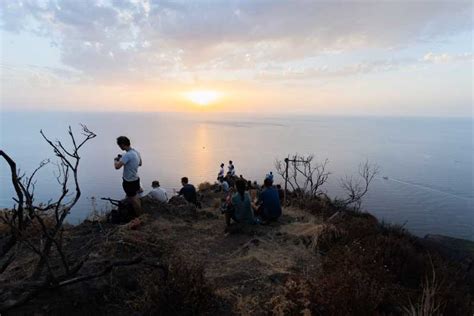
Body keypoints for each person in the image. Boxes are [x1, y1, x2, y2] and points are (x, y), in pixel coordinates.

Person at [114, 136, 142, 216]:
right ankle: (137, 214)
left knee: (133, 200)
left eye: (119, 145)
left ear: (122, 144)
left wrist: (116, 160)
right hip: (136, 178)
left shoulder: (127, 155)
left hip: (129, 181)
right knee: (135, 197)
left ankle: (139, 218)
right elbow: (140, 164)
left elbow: (117, 167)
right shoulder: (136, 152)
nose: (119, 147)